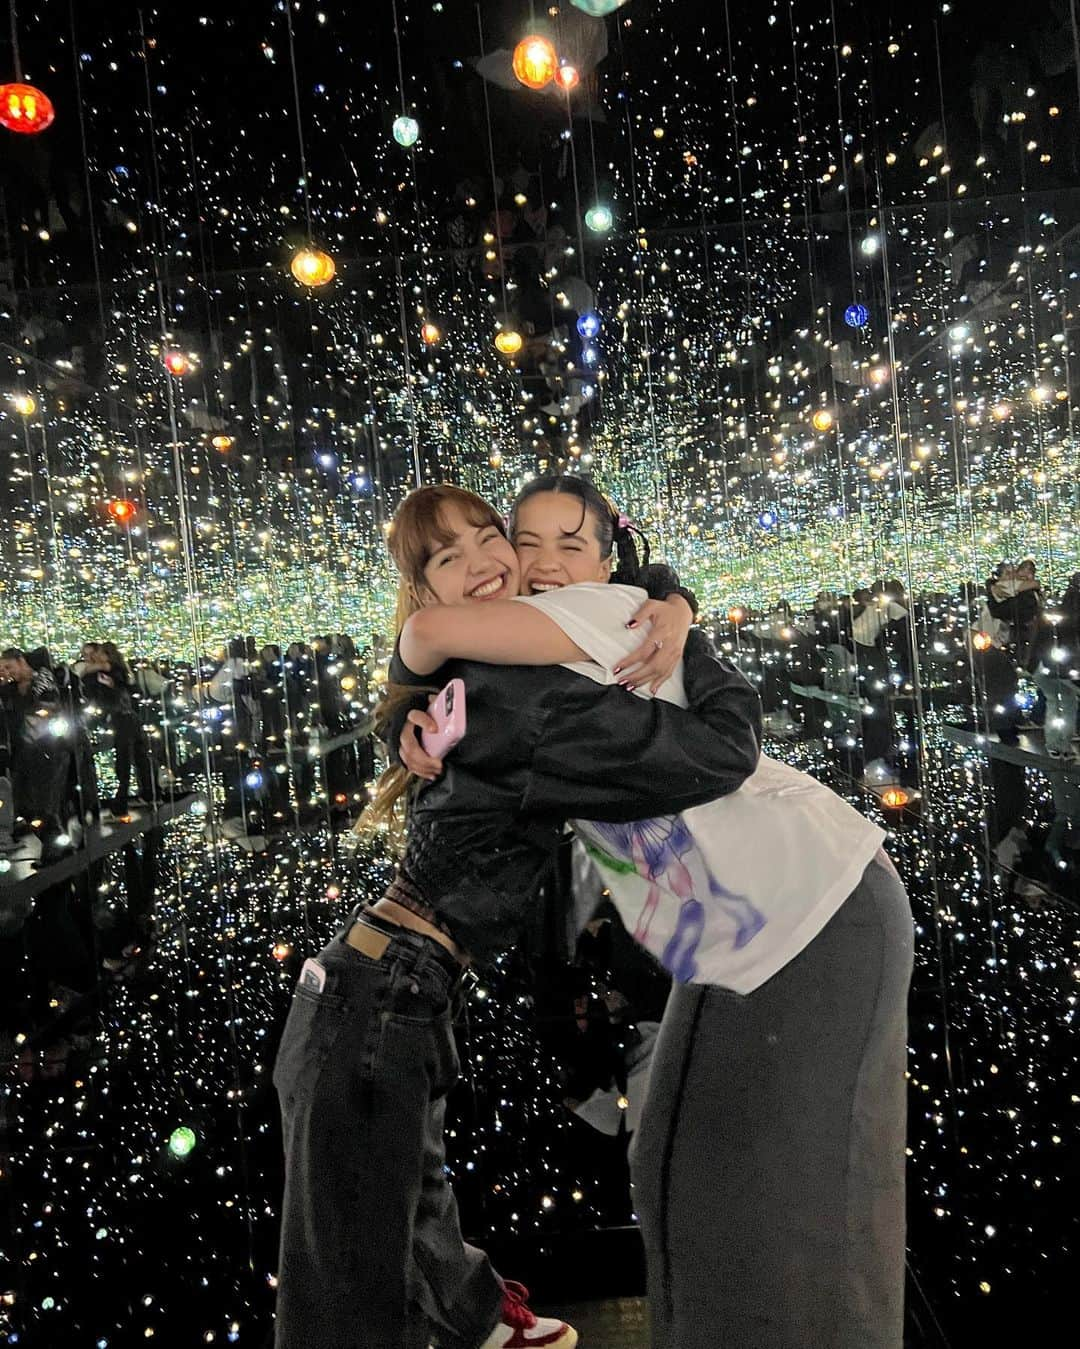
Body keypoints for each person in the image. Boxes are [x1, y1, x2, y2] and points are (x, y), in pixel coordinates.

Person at [399, 476, 914, 1349]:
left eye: (571, 543)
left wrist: (413, 647)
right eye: (526, 541)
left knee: (770, 1190)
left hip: (817, 903)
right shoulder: (557, 644)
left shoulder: (601, 613)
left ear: (608, 559)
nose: (543, 561)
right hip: (765, 926)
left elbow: (430, 631)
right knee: (682, 1160)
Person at [272, 483, 760, 1349]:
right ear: (426, 591)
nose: (489, 562)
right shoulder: (531, 697)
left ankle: (487, 1322)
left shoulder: (487, 671)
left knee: (382, 1233)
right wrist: (696, 644)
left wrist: (674, 602)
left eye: (486, 536)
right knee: (343, 1299)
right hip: (380, 994)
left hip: (375, 987)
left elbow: (604, 573)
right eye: (446, 558)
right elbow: (721, 750)